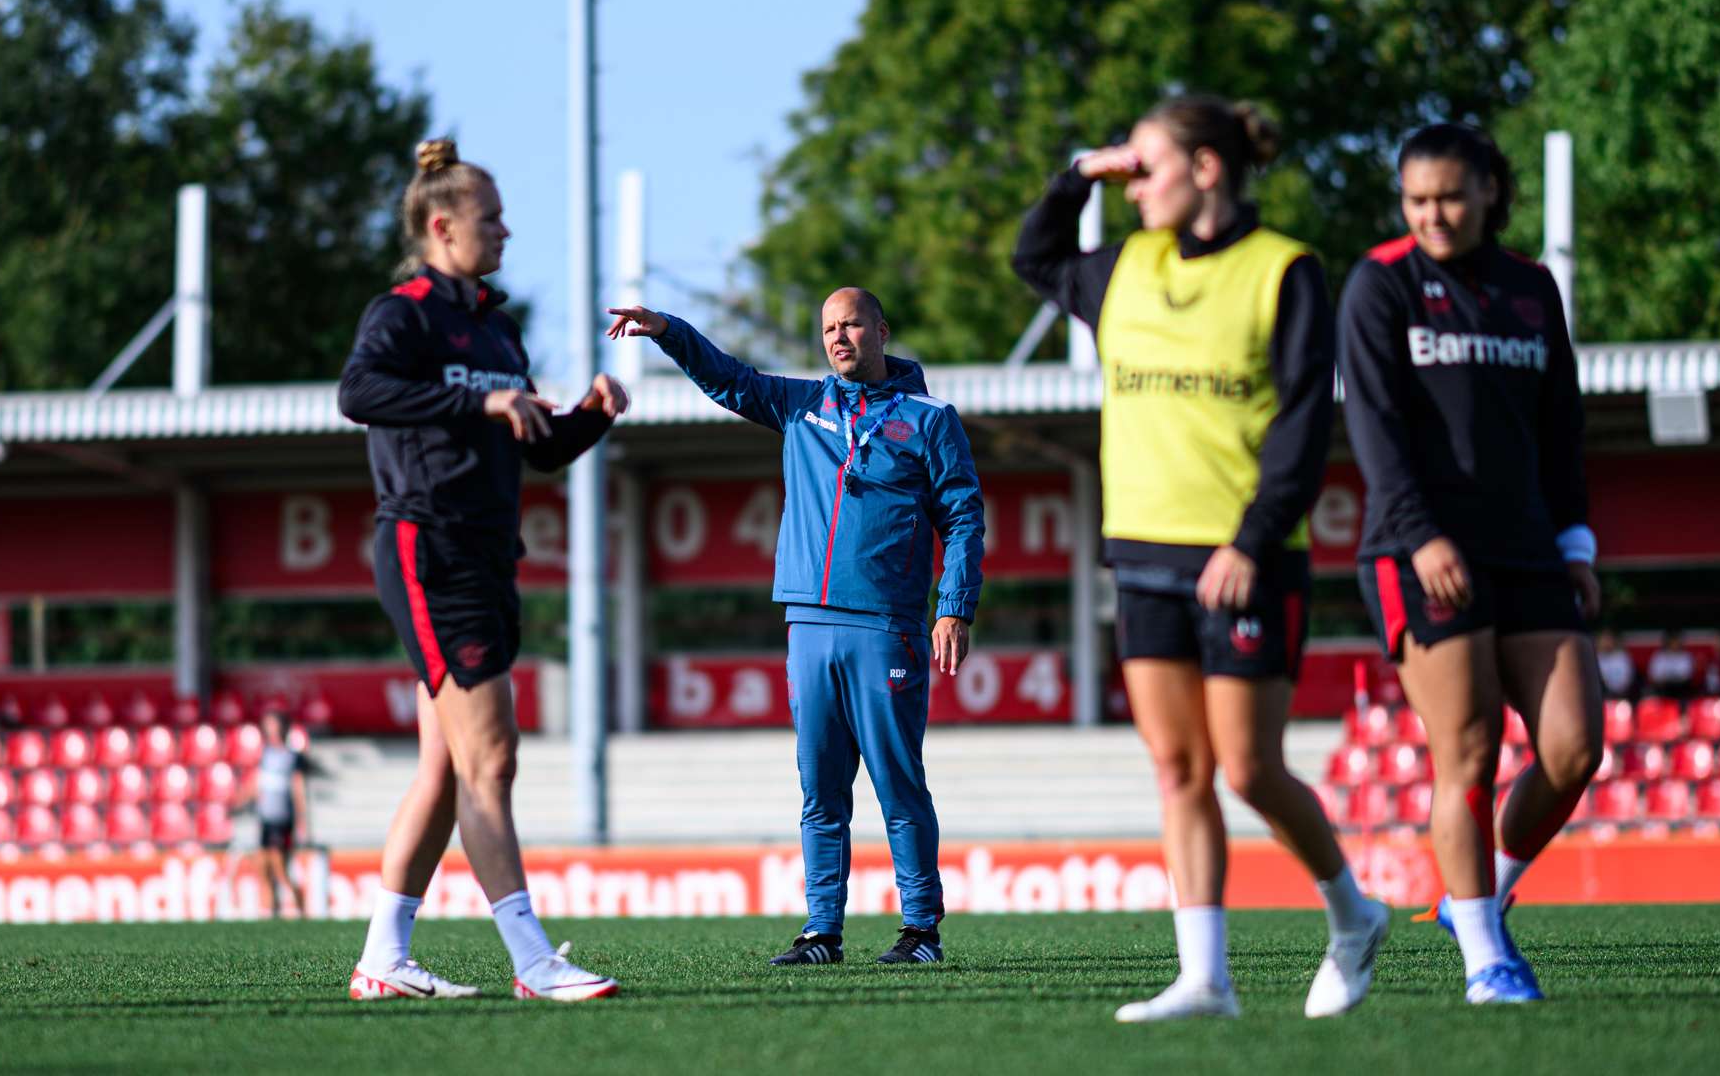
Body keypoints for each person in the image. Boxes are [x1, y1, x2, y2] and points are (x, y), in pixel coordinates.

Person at [1013, 95, 1388, 1022]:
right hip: (1141, 552)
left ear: (1208, 168)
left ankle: (1353, 913)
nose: (1135, 186)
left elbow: (1306, 419)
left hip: (1244, 560)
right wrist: (1077, 178)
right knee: (1177, 769)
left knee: (1250, 768)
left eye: (1149, 167)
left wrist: (1253, 539)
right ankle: (1204, 979)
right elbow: (1035, 257)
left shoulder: (1284, 270)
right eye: (1128, 170)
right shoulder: (1127, 266)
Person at [605, 288, 984, 967]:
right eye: (829, 328)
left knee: (898, 784)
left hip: (887, 625)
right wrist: (667, 329)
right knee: (820, 790)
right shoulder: (801, 405)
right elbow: (728, 378)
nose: (839, 338)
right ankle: (821, 932)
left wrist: (953, 604)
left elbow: (962, 517)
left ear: (881, 329)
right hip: (807, 623)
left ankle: (921, 929)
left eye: (852, 325)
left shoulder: (931, 419)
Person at [338, 138, 628, 1003]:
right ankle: (533, 961)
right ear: (442, 226)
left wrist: (588, 416)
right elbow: (358, 394)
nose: (505, 231)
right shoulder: (403, 315)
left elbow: (535, 450)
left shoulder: (496, 328)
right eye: (490, 218)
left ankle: (384, 958)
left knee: (445, 767)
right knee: (490, 762)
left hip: (488, 550)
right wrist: (477, 400)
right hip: (430, 548)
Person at [1338, 123, 1604, 1005]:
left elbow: (1562, 428)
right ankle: (1487, 954)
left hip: (1529, 549)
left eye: (1450, 196)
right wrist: (1422, 535)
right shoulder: (1380, 284)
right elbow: (1374, 432)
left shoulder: (1532, 289)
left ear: (1490, 190)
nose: (1433, 215)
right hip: (1420, 552)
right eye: (1417, 200)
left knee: (1573, 747)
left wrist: (1576, 543)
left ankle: (1478, 892)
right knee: (1470, 751)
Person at [239, 707, 313, 918]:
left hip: (283, 819)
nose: (270, 729)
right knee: (264, 869)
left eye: (274, 724)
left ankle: (302, 912)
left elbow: (297, 789)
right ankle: (271, 915)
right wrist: (240, 801)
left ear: (284, 727)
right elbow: (256, 784)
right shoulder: (264, 754)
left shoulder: (292, 756)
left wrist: (301, 821)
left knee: (280, 869)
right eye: (267, 724)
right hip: (265, 818)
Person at [1646, 630, 1696, 700]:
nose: (1674, 643)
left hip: (1681, 690)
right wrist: (1667, 679)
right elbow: (1654, 676)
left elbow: (1686, 676)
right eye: (1672, 641)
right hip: (1662, 690)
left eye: (1676, 641)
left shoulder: (1686, 656)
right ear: (1667, 641)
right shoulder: (1659, 656)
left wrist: (1671, 678)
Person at [1596, 628, 1638, 699]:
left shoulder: (1622, 657)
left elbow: (1627, 679)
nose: (1606, 643)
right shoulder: (1595, 657)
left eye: (1609, 640)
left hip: (1621, 695)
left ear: (1614, 641)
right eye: (1604, 640)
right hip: (1601, 696)